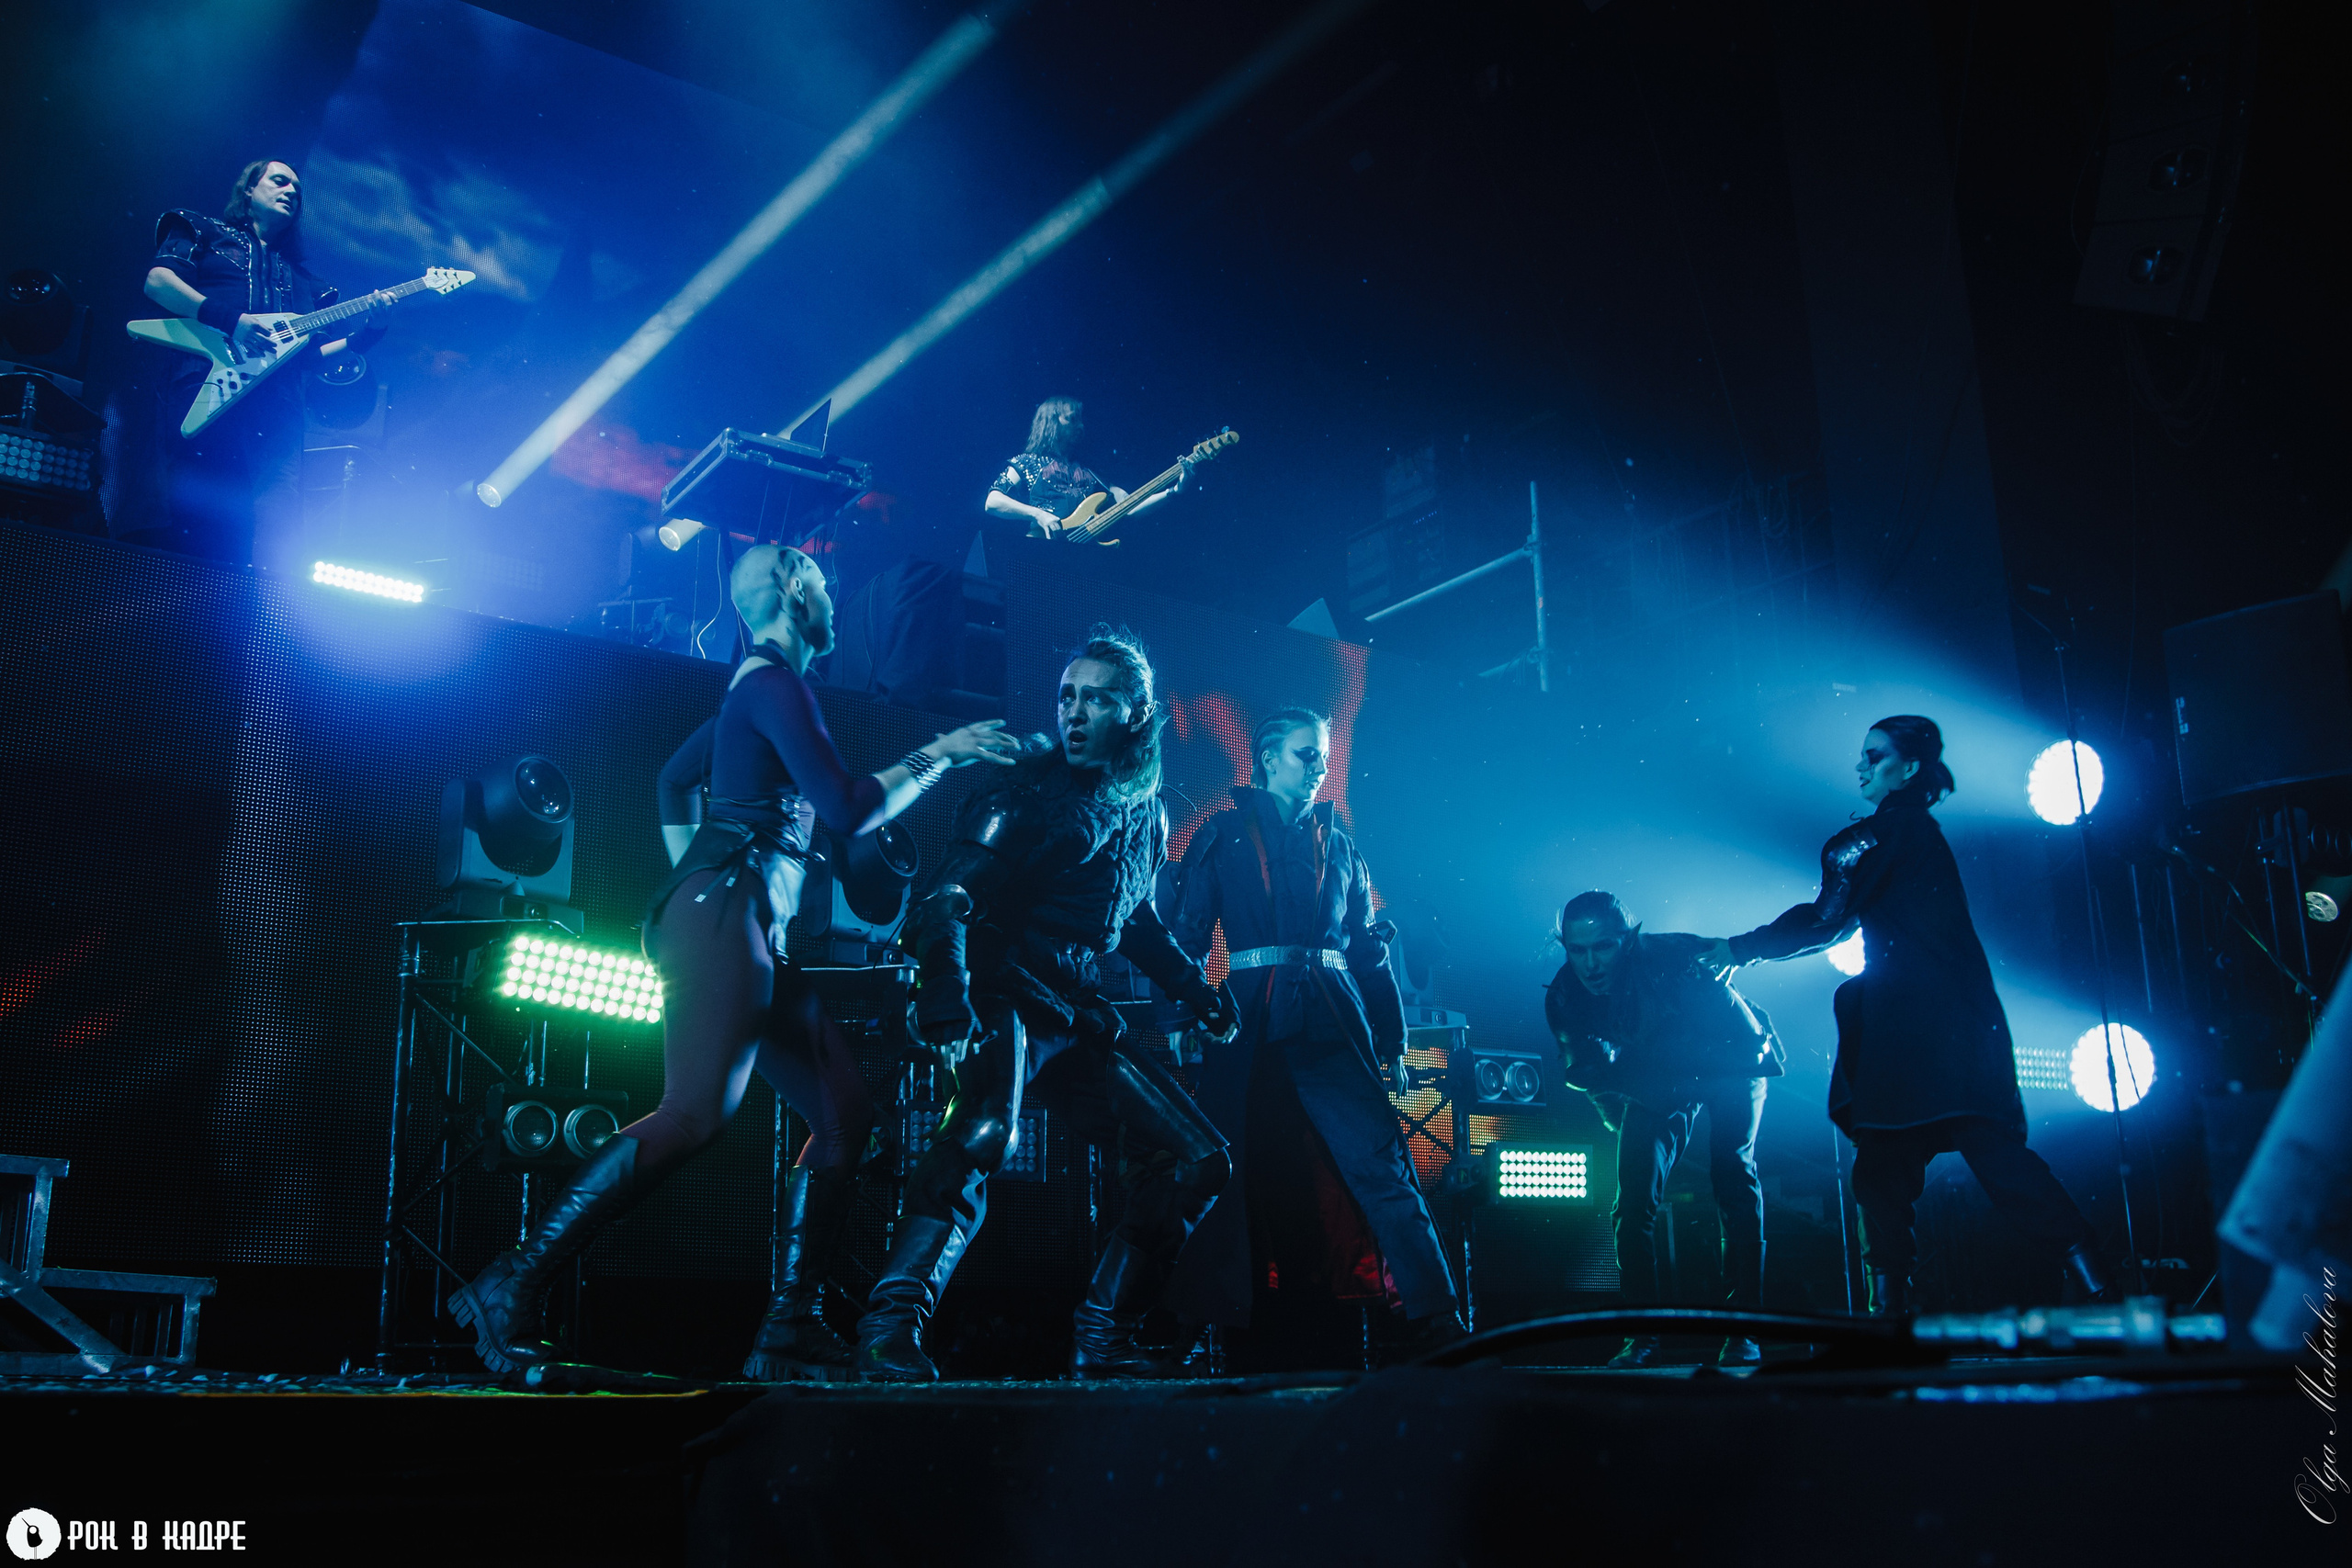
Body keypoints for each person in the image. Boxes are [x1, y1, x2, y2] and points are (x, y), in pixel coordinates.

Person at [449, 545, 1021, 1377]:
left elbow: (673, 779)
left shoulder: (752, 690)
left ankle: (788, 1332)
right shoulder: (770, 685)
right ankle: (510, 1282)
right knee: (692, 1114)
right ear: (793, 588)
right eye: (825, 579)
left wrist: (698, 867)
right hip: (726, 919)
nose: (835, 591)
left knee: (847, 1116)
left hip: (737, 919)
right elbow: (847, 808)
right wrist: (949, 750)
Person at [853, 626, 1242, 1382]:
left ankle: (1103, 1341)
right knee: (984, 1131)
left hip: (1079, 1008)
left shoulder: (1145, 809)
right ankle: (888, 1326)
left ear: (1135, 712)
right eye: (1068, 695)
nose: (1075, 711)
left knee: (1199, 1160)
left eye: (1096, 698)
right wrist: (947, 989)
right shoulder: (1025, 795)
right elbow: (946, 900)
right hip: (1004, 987)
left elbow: (1128, 917)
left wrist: (1194, 988)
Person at [1699, 716, 2107, 1316]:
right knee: (1919, 1163)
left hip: (1924, 1026)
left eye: (1875, 755)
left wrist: (1738, 947)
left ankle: (1897, 1307)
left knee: (1927, 1161)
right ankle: (2090, 1282)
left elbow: (1824, 919)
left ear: (1909, 767)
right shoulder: (1909, 833)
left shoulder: (1883, 835)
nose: (1861, 766)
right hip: (1941, 1021)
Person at [1161, 707, 1462, 1364]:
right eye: (1307, 755)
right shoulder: (1221, 834)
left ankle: (1437, 1319)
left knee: (1381, 1166)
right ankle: (1185, 1326)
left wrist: (1392, 1039)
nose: (1320, 767)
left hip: (1332, 1019)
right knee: (1223, 1168)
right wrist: (1183, 1021)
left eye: (1322, 757)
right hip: (1246, 1023)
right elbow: (1183, 941)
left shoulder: (1343, 845)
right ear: (1268, 757)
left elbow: (1368, 954)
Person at [1544, 891, 1782, 1368]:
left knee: (1734, 1176)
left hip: (1733, 1059)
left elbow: (1729, 1007)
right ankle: (1643, 1337)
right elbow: (1590, 1074)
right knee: (1630, 1203)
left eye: (1604, 947)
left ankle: (1742, 1331)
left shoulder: (1674, 957)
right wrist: (1626, 1121)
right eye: (1577, 949)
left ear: (1627, 941)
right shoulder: (1566, 996)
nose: (1590, 963)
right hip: (1659, 1075)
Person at [136, 159, 390, 567]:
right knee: (199, 517)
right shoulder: (202, 231)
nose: (291, 190)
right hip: (205, 389)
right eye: (279, 180)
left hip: (277, 411)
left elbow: (313, 358)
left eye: (298, 189)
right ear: (249, 191)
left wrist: (370, 334)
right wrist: (230, 320)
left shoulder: (309, 285)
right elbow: (159, 282)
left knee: (277, 526)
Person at [982, 398, 1184, 542]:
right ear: (1051, 422)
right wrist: (1038, 515)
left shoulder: (1091, 472)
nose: (1080, 426)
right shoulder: (1027, 462)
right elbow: (993, 501)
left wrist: (1173, 491)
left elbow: (1129, 507)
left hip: (1082, 559)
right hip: (1042, 552)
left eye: (1080, 420)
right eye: (1072, 419)